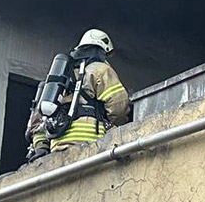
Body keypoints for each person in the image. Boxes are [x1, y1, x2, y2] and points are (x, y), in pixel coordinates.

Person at [25, 28, 131, 162]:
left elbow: (37, 122)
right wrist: (116, 130)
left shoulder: (58, 80)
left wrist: (41, 146)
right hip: (89, 142)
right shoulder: (100, 70)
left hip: (56, 146)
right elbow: (119, 105)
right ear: (102, 50)